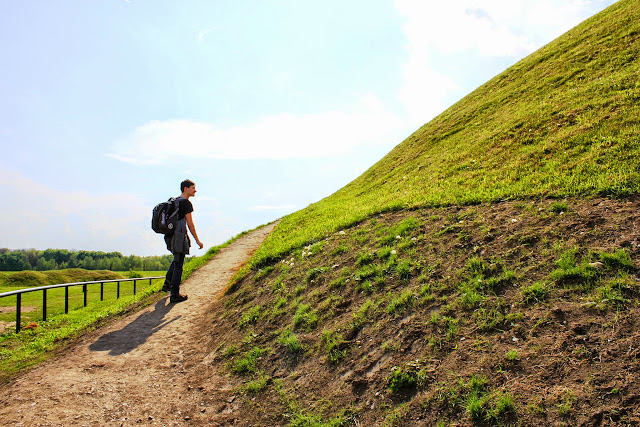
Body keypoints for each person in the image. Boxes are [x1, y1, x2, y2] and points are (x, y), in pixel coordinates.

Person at [162, 179, 204, 303]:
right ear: (186, 189)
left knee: (176, 260)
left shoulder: (174, 201)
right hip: (179, 236)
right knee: (179, 264)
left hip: (170, 236)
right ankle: (174, 294)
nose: (195, 190)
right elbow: (190, 224)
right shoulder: (185, 203)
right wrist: (197, 240)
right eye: (192, 188)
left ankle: (167, 283)